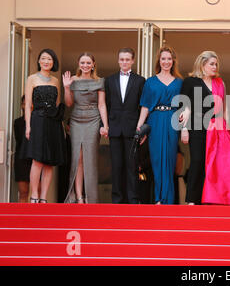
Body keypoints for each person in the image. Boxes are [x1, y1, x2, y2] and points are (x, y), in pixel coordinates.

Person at [180, 51, 230, 205]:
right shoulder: (190, 81)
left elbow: (224, 108)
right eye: (212, 63)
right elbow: (186, 107)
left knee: (214, 163)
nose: (214, 66)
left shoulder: (220, 83)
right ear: (202, 64)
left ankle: (210, 199)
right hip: (196, 127)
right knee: (197, 161)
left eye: (216, 64)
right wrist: (184, 129)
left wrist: (227, 128)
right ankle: (192, 199)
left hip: (217, 128)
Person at [137, 46, 183, 205]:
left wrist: (184, 128)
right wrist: (140, 128)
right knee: (156, 160)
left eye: (169, 59)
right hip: (155, 120)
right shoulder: (150, 82)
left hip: (172, 120)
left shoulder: (179, 82)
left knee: (169, 160)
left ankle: (168, 200)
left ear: (173, 61)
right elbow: (145, 106)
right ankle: (158, 199)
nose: (166, 62)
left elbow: (184, 108)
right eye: (163, 59)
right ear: (159, 61)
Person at [20, 48, 66, 203]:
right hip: (37, 120)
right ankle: (34, 196)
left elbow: (58, 104)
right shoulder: (31, 78)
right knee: (37, 160)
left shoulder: (55, 81)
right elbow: (27, 105)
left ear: (53, 62)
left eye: (50, 59)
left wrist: (60, 126)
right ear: (39, 61)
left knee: (49, 162)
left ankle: (44, 197)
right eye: (44, 58)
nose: (46, 62)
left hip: (53, 122)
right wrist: (28, 126)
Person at [62, 52, 109, 203]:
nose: (85, 65)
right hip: (76, 119)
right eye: (83, 62)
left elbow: (101, 105)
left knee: (90, 158)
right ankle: (79, 196)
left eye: (88, 63)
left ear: (93, 64)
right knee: (78, 157)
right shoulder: (73, 80)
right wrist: (66, 88)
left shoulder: (100, 81)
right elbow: (69, 103)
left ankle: (91, 197)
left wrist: (105, 125)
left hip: (93, 119)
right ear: (78, 64)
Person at [105, 48, 145, 204]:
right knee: (116, 166)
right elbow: (106, 105)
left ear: (133, 61)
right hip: (114, 128)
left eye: (127, 59)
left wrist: (142, 129)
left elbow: (142, 106)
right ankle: (117, 200)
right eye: (121, 59)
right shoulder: (109, 80)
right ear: (118, 60)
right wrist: (105, 125)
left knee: (132, 166)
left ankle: (133, 200)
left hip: (132, 128)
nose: (124, 62)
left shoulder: (140, 80)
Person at [13, 95, 32, 202]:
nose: (28, 105)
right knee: (23, 193)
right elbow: (21, 140)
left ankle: (37, 218)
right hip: (22, 160)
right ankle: (22, 219)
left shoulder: (39, 122)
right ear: (22, 105)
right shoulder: (18, 123)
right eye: (25, 103)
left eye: (30, 103)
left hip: (36, 159)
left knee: (37, 192)